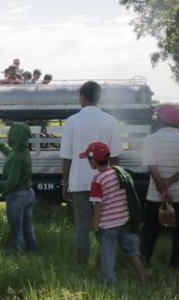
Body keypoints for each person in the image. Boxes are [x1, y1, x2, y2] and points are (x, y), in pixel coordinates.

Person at [59, 80, 123, 265]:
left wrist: (65, 184)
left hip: (79, 182)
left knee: (82, 225)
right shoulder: (111, 121)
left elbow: (67, 157)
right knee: (106, 225)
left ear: (82, 98)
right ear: (99, 98)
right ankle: (106, 263)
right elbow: (116, 157)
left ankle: (81, 265)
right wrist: (118, 182)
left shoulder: (72, 122)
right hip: (105, 183)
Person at [80, 142, 145, 284]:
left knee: (108, 258)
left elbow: (98, 204)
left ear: (93, 161)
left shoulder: (97, 180)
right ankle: (143, 281)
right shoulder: (117, 172)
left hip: (108, 226)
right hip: (125, 221)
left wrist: (95, 223)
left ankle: (109, 287)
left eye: (88, 159)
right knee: (134, 253)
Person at [0, 123, 37, 252]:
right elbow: (9, 152)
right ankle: (34, 252)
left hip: (17, 196)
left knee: (17, 231)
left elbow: (13, 181)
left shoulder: (15, 157)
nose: (8, 136)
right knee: (28, 229)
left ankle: (18, 257)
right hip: (29, 194)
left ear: (15, 136)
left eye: (10, 134)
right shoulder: (23, 151)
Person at [141, 103, 179, 268]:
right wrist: (170, 182)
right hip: (178, 194)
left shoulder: (150, 139)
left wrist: (162, 188)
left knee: (150, 229)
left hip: (154, 195)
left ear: (159, 121)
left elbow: (151, 165)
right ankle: (175, 263)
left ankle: (145, 259)